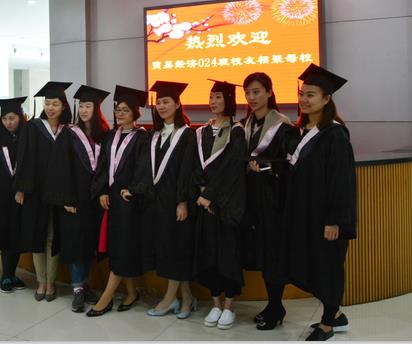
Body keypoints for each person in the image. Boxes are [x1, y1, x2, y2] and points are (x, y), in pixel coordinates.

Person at [284, 64, 357, 341]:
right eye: (302, 94)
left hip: (326, 217)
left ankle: (328, 324)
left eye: (311, 95)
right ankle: (336, 315)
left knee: (328, 267)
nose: (304, 100)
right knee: (315, 266)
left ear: (326, 99)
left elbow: (341, 181)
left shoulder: (335, 134)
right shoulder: (304, 131)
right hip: (307, 215)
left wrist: (334, 220)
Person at [128, 81, 196, 319]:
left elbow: (187, 171)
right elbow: (146, 168)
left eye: (166, 102)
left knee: (175, 248)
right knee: (167, 249)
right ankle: (186, 297)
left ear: (177, 104)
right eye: (159, 103)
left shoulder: (187, 135)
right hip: (156, 202)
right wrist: (135, 189)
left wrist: (182, 201)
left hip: (175, 202)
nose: (162, 106)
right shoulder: (154, 135)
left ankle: (169, 299)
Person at [240, 72, 300, 330]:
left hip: (273, 200)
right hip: (251, 199)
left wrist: (265, 168)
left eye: (256, 91)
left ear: (269, 92)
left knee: (273, 253)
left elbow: (291, 162)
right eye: (247, 92)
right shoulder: (245, 124)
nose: (251, 97)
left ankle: (276, 306)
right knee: (261, 253)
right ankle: (272, 305)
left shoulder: (282, 126)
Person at [86, 85, 149, 317]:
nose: (120, 114)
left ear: (135, 113)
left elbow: (145, 168)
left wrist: (133, 189)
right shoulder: (112, 136)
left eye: (125, 110)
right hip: (111, 201)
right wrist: (102, 191)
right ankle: (131, 293)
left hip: (129, 202)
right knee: (118, 247)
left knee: (123, 247)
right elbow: (103, 166)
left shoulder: (142, 137)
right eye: (118, 110)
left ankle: (106, 297)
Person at [193, 80, 247, 330]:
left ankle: (229, 305)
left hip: (225, 207)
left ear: (229, 100)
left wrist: (211, 196)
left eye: (218, 97)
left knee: (228, 255)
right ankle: (215, 303)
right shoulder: (202, 131)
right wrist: (200, 192)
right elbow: (194, 165)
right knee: (209, 255)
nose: (213, 101)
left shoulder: (237, 132)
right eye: (211, 97)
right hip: (204, 204)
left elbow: (232, 169)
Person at [14, 81, 73, 302]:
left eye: (55, 104)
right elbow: (23, 158)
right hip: (36, 191)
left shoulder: (69, 131)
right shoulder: (33, 127)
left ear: (63, 106)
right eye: (47, 103)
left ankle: (51, 283)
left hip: (60, 193)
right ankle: (41, 281)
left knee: (53, 237)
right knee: (37, 236)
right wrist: (20, 188)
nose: (50, 108)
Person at [55, 85, 110, 313]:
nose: (85, 110)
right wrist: (66, 198)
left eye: (89, 106)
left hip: (95, 200)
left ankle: (85, 285)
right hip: (75, 199)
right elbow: (61, 168)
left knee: (89, 244)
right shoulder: (69, 133)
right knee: (76, 243)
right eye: (82, 106)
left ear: (96, 109)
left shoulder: (105, 135)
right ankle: (77, 289)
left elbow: (108, 167)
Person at [0, 97, 28, 293]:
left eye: (13, 118)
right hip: (0, 195)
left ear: (20, 117)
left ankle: (12, 274)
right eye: (5, 119)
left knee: (17, 235)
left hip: (20, 194)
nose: (9, 122)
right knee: (5, 234)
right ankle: (6, 275)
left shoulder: (27, 137)